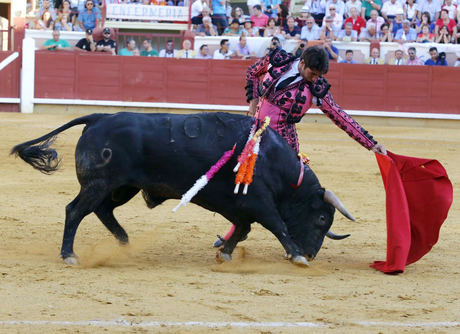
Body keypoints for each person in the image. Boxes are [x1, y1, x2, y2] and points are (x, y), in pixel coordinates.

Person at [214, 45, 386, 247]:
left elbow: (340, 116)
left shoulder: (316, 88)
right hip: (254, 135)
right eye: (312, 73)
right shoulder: (278, 60)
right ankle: (239, 229)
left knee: (286, 193)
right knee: (239, 182)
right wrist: (252, 102)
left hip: (282, 145)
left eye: (318, 75)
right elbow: (252, 72)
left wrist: (371, 143)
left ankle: (301, 233)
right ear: (302, 63)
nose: (315, 79)